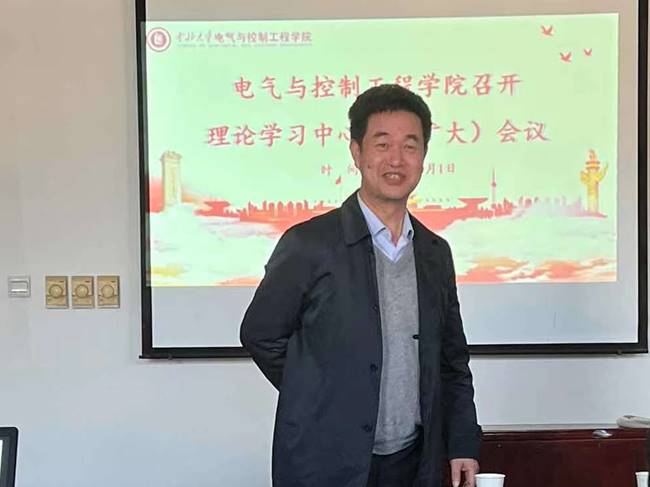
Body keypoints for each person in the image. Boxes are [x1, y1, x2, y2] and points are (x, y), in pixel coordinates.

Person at [240, 84, 482, 487]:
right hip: (325, 461)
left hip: (412, 461)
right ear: (356, 153)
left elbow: (452, 361)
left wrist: (462, 442)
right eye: (382, 144)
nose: (396, 159)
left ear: (424, 156)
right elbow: (260, 334)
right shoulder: (309, 244)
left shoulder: (434, 253)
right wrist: (319, 395)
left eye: (410, 146)